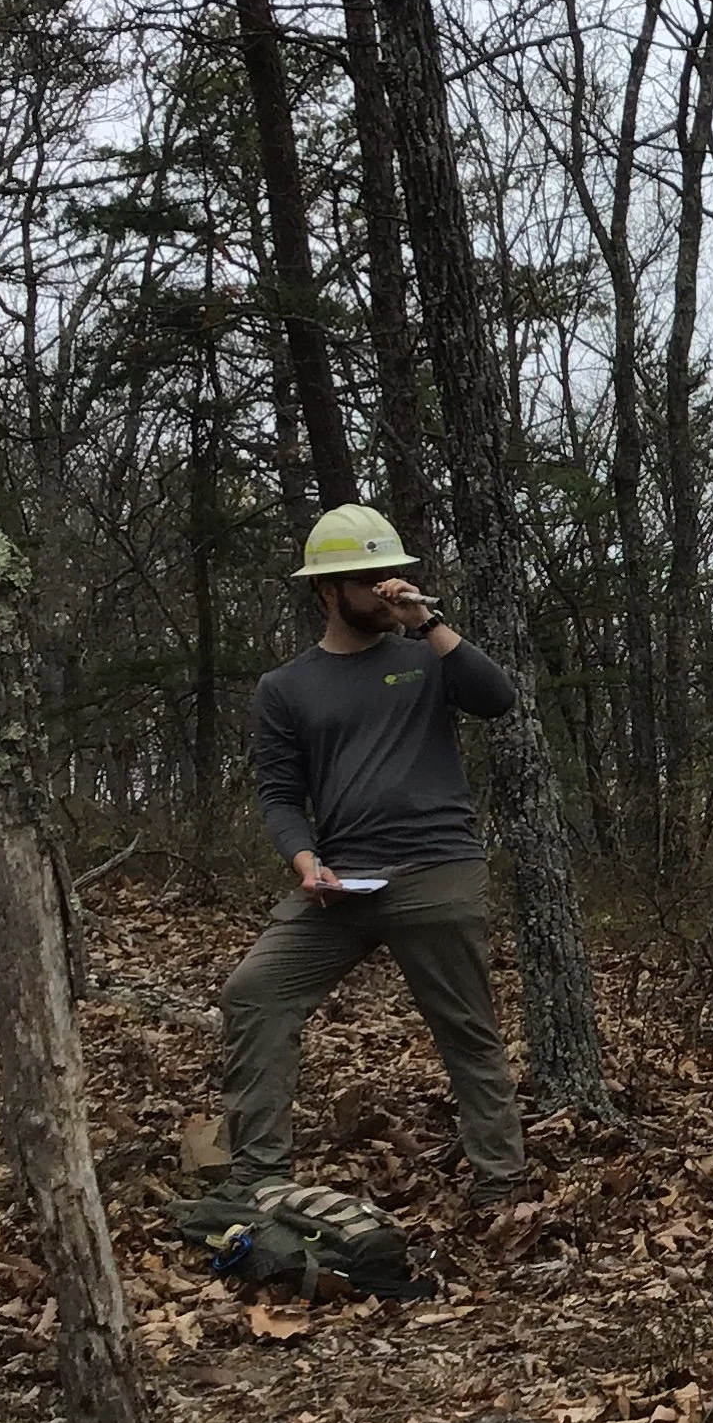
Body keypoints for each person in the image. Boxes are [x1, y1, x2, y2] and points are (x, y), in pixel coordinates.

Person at [216, 504, 533, 1209]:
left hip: (437, 869)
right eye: (366, 580)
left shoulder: (427, 655)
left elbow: (497, 698)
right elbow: (277, 794)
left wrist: (427, 620)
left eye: (391, 573)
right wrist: (304, 862)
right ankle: (259, 1178)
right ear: (328, 593)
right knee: (253, 992)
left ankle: (502, 1184)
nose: (386, 586)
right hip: (340, 882)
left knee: (467, 1028)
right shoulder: (285, 688)